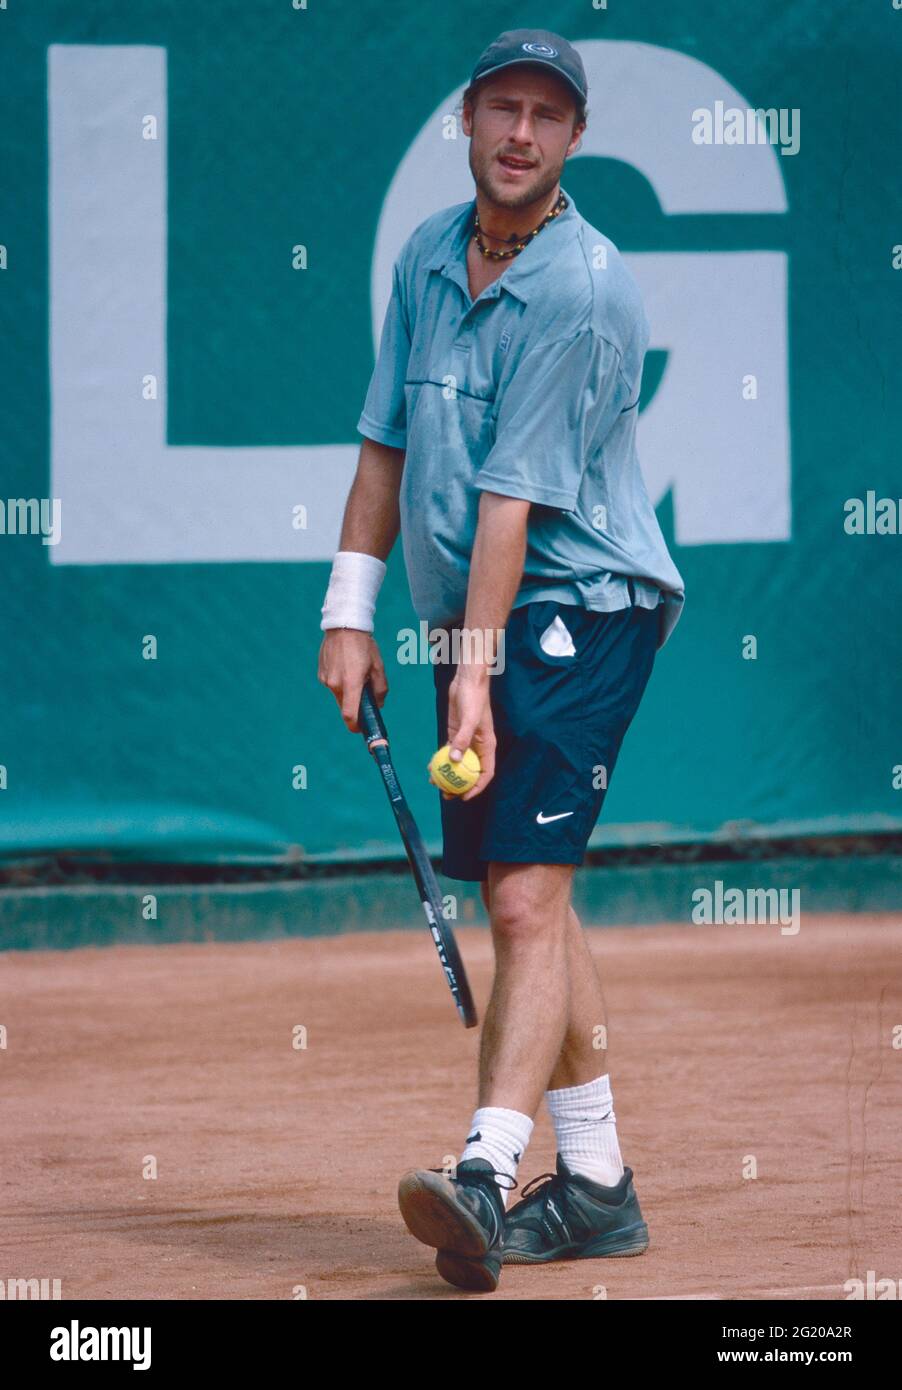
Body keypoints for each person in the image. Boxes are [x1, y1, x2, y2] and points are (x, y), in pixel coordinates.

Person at [318, 28, 685, 1293]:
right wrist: (348, 611)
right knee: (532, 891)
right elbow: (383, 443)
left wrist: (470, 674)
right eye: (500, 110)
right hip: (471, 615)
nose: (520, 133)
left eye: (546, 114)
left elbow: (510, 507)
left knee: (524, 896)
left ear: (574, 138)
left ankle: (483, 1166)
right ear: (467, 124)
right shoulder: (428, 254)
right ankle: (594, 1190)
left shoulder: (584, 290)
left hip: (581, 603)